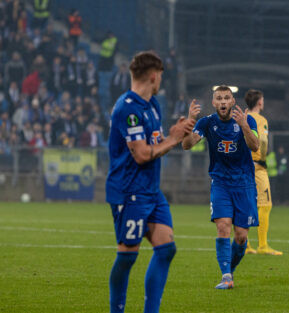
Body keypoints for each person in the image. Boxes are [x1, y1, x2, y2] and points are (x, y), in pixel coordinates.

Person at [106, 51, 194, 313]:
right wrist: (174, 139)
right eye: (161, 77)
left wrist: (173, 134)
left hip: (151, 192)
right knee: (127, 256)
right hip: (129, 192)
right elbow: (142, 154)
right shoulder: (127, 109)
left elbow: (155, 143)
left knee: (166, 249)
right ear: (154, 76)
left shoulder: (153, 105)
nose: (161, 82)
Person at [182, 85, 260, 289]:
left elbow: (255, 146)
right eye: (219, 98)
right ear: (214, 103)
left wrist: (243, 125)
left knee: (241, 236)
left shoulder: (247, 119)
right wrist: (189, 124)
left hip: (244, 183)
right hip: (221, 182)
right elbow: (187, 145)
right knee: (223, 225)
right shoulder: (207, 123)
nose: (223, 101)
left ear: (233, 102)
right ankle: (226, 275)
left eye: (227, 98)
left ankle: (229, 270)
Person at [244, 89, 282, 255]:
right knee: (265, 205)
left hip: (243, 164)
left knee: (244, 204)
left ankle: (244, 245)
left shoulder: (243, 118)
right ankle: (263, 245)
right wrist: (263, 157)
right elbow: (264, 140)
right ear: (259, 102)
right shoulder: (261, 119)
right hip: (257, 165)